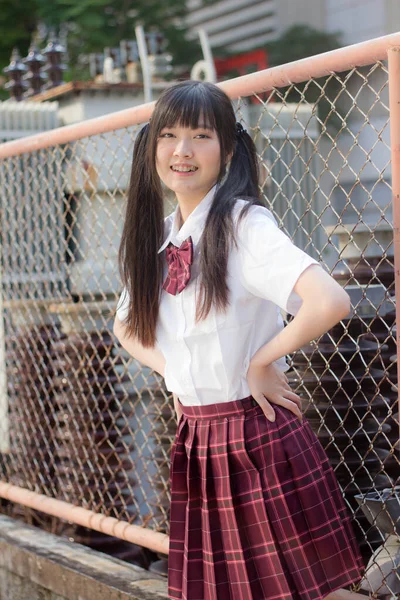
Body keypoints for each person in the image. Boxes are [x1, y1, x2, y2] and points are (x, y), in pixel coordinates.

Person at [114, 80, 365, 600]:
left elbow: (330, 300)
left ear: (227, 151)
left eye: (201, 135)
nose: (182, 151)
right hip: (198, 438)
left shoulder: (244, 224)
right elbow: (124, 326)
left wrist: (261, 361)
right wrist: (177, 372)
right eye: (169, 135)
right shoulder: (161, 236)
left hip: (256, 438)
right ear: (151, 147)